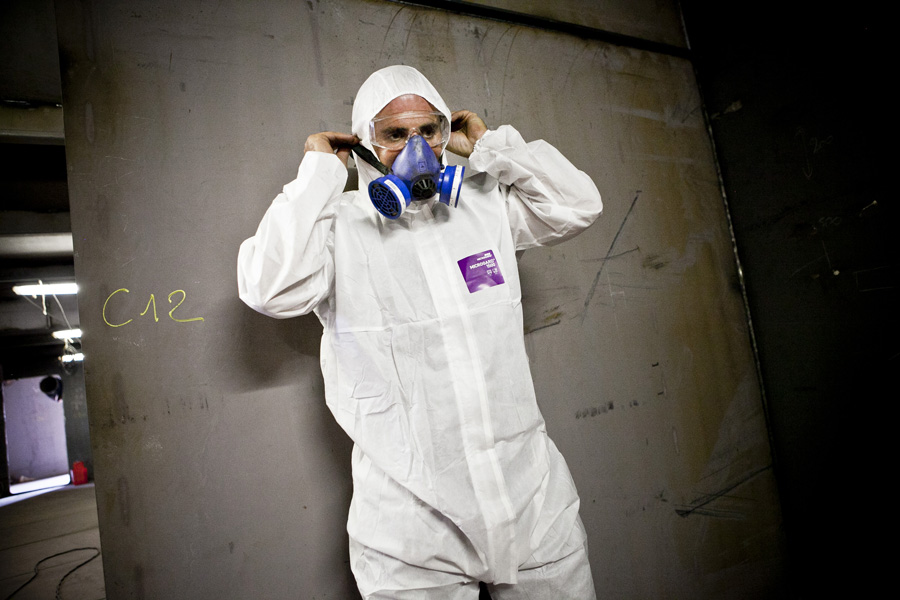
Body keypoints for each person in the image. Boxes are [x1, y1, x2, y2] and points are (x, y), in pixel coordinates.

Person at [237, 65, 602, 599]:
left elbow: (578, 205)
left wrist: (490, 147)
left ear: (444, 132)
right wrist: (318, 174)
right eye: (394, 134)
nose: (416, 148)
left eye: (428, 130)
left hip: (531, 501)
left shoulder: (485, 204)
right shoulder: (339, 227)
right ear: (365, 143)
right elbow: (269, 289)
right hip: (411, 527)